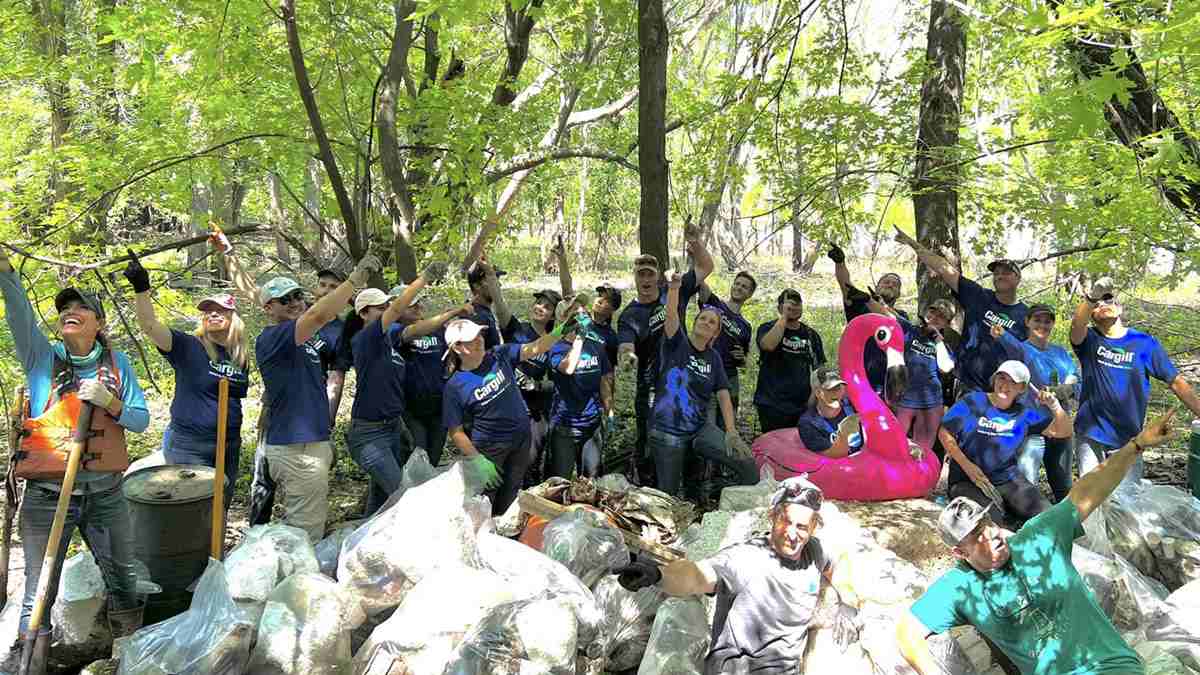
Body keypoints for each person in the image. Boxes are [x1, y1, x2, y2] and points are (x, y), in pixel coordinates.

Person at [896, 408, 1182, 675]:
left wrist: (1137, 444)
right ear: (960, 551)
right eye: (976, 535)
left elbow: (1087, 490)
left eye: (987, 523)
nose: (992, 533)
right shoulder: (960, 587)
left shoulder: (1038, 536)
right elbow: (907, 631)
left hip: (1110, 666)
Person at [0, 249, 151, 661]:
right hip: (48, 497)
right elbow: (19, 314)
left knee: (123, 576)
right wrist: (6, 271)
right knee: (40, 584)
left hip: (106, 495)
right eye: (65, 308)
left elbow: (140, 421)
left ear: (98, 324)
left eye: (82, 308)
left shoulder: (118, 365)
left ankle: (128, 655)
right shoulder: (41, 358)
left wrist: (111, 402)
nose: (71, 311)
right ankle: (29, 658)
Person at [613, 476, 859, 674]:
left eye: (802, 527)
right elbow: (697, 575)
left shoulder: (815, 550)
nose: (792, 534)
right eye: (786, 522)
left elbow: (840, 565)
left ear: (813, 528)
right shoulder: (747, 557)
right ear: (772, 517)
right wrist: (658, 574)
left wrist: (846, 601)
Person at [223, 236, 380, 540]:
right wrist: (355, 279)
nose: (295, 302)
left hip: (310, 440)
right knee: (305, 535)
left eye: (297, 295)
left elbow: (335, 372)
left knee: (304, 526)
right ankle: (294, 584)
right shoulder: (274, 337)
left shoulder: (313, 335)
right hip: (295, 447)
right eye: (285, 299)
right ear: (268, 308)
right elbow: (317, 314)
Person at [123, 256, 250, 504]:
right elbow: (149, 325)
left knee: (219, 506)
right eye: (207, 311)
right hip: (189, 445)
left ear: (233, 317)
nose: (213, 314)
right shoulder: (188, 346)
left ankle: (217, 544)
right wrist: (141, 288)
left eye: (220, 309)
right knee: (188, 509)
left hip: (228, 445)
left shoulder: (240, 357)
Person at [1069, 277, 1200, 494]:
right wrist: (1092, 296)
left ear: (1119, 308)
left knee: (1128, 502)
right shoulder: (1089, 340)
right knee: (1089, 497)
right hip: (1090, 434)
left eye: (1108, 299)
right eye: (1097, 304)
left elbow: (1175, 382)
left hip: (1129, 439)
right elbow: (1076, 326)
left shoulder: (1145, 343)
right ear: (1091, 314)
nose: (1102, 304)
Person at [617, 230, 714, 483]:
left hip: (686, 378)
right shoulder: (630, 315)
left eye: (650, 273)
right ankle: (649, 487)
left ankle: (692, 489)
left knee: (692, 433)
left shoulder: (674, 291)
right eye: (641, 274)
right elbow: (625, 345)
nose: (646, 278)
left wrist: (694, 240)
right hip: (651, 385)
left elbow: (706, 265)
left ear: (658, 275)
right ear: (635, 278)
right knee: (649, 441)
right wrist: (628, 357)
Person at [646, 271, 754, 497]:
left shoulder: (713, 358)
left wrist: (731, 432)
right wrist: (674, 288)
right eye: (703, 318)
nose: (706, 322)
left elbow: (723, 393)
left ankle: (732, 504)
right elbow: (672, 317)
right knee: (668, 495)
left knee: (746, 462)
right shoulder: (676, 342)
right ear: (694, 323)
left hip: (699, 428)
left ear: (715, 333)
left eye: (712, 322)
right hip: (668, 430)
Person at [442, 318, 566, 514]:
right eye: (471, 339)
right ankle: (481, 535)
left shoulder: (499, 355)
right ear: (457, 347)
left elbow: (535, 347)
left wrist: (562, 329)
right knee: (485, 499)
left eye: (479, 336)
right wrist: (477, 459)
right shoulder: (455, 386)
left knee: (511, 489)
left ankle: (503, 530)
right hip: (491, 449)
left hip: (520, 439)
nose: (479, 341)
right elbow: (455, 431)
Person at [894, 226, 1029, 396]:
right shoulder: (978, 296)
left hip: (1003, 390)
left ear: (1018, 278)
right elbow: (944, 269)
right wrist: (913, 244)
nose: (1000, 276)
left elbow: (1029, 354)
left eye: (1006, 273)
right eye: (996, 273)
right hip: (967, 384)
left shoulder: (1026, 315)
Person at [939, 361, 1072, 527]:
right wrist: (967, 465)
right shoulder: (972, 401)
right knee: (991, 523)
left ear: (1022, 388)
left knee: (1049, 517)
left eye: (1013, 382)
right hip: (966, 479)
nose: (1005, 385)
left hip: (1007, 479)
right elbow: (944, 432)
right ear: (994, 380)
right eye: (1001, 378)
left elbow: (1065, 432)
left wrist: (1055, 406)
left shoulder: (1024, 414)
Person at [992, 303, 1079, 502]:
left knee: (1063, 484)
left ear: (1053, 324)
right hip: (1033, 428)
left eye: (1047, 321)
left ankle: (1066, 523)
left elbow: (1075, 378)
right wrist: (1001, 333)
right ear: (1027, 322)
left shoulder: (1060, 353)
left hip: (1060, 425)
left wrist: (1066, 388)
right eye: (1037, 320)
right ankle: (1023, 521)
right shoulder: (1022, 350)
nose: (1042, 325)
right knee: (1027, 478)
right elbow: (1010, 344)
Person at [392, 283, 473, 467]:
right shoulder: (394, 332)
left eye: (419, 302)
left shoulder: (437, 330)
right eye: (412, 304)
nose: (418, 307)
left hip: (438, 407)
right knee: (416, 458)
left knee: (433, 459)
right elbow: (412, 333)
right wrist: (452, 312)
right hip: (410, 409)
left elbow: (450, 358)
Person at [829, 244, 910, 401]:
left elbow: (896, 325)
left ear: (899, 294)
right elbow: (846, 287)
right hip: (858, 381)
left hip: (888, 386)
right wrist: (840, 263)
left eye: (895, 284)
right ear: (877, 286)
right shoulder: (861, 305)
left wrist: (876, 303)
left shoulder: (901, 316)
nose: (890, 284)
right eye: (886, 281)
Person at [545, 296, 614, 479]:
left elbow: (604, 378)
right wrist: (579, 338)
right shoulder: (556, 346)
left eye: (583, 309)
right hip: (565, 427)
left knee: (592, 479)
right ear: (563, 319)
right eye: (574, 311)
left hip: (592, 425)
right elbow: (568, 368)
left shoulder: (596, 344)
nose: (581, 313)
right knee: (559, 481)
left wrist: (609, 410)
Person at [501, 286, 563, 485]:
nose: (540, 308)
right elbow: (499, 306)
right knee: (505, 463)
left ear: (553, 315)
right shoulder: (517, 330)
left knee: (530, 463)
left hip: (535, 413)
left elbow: (558, 384)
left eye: (547, 307)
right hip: (508, 409)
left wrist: (535, 385)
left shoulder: (554, 343)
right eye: (538, 303)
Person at [753, 289, 826, 433]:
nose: (794, 307)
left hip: (801, 406)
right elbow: (768, 345)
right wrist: (784, 317)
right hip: (771, 404)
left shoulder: (811, 335)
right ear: (780, 307)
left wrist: (813, 400)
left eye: (798, 304)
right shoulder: (767, 328)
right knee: (773, 447)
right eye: (789, 304)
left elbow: (819, 370)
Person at [893, 299, 957, 452]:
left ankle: (915, 476)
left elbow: (946, 367)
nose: (935, 317)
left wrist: (937, 339)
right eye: (932, 311)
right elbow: (888, 314)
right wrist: (872, 300)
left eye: (941, 316)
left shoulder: (944, 346)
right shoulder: (910, 329)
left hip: (930, 403)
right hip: (903, 399)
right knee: (894, 445)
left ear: (946, 324)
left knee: (921, 450)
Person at [696, 271, 756, 428]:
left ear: (749, 294)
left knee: (727, 424)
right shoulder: (715, 304)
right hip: (706, 371)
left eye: (744, 287)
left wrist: (742, 358)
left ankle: (726, 451)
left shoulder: (746, 326)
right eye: (737, 283)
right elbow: (701, 284)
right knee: (706, 423)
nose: (739, 288)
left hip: (730, 378)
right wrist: (696, 257)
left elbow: (743, 360)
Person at [796, 366, 863, 459]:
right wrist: (843, 434)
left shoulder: (853, 405)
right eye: (831, 389)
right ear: (818, 393)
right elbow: (837, 455)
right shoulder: (808, 424)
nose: (836, 393)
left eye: (838, 387)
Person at [314, 267, 352, 425]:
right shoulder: (296, 311)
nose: (326, 291)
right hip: (279, 402)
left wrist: (328, 419)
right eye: (322, 285)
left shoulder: (342, 331)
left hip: (314, 401)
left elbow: (336, 376)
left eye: (333, 287)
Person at [464, 258, 506, 349]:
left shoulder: (482, 311)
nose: (498, 284)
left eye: (497, 280)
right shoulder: (476, 317)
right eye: (492, 281)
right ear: (477, 286)